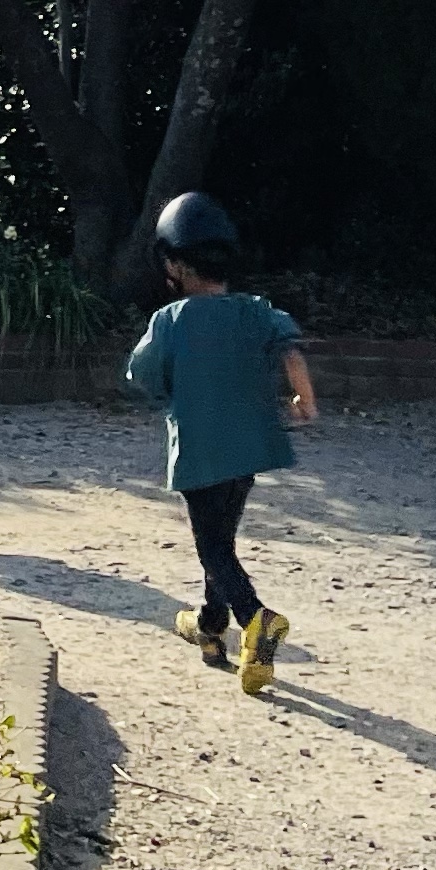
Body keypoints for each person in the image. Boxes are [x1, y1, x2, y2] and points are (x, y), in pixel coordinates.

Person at [123, 189, 318, 695]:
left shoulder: (169, 320)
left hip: (200, 449)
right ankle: (211, 626)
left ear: (172, 264)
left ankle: (257, 620)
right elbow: (289, 349)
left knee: (211, 544)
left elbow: (144, 374)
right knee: (222, 542)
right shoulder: (256, 312)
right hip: (248, 448)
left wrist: (172, 387)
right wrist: (303, 400)